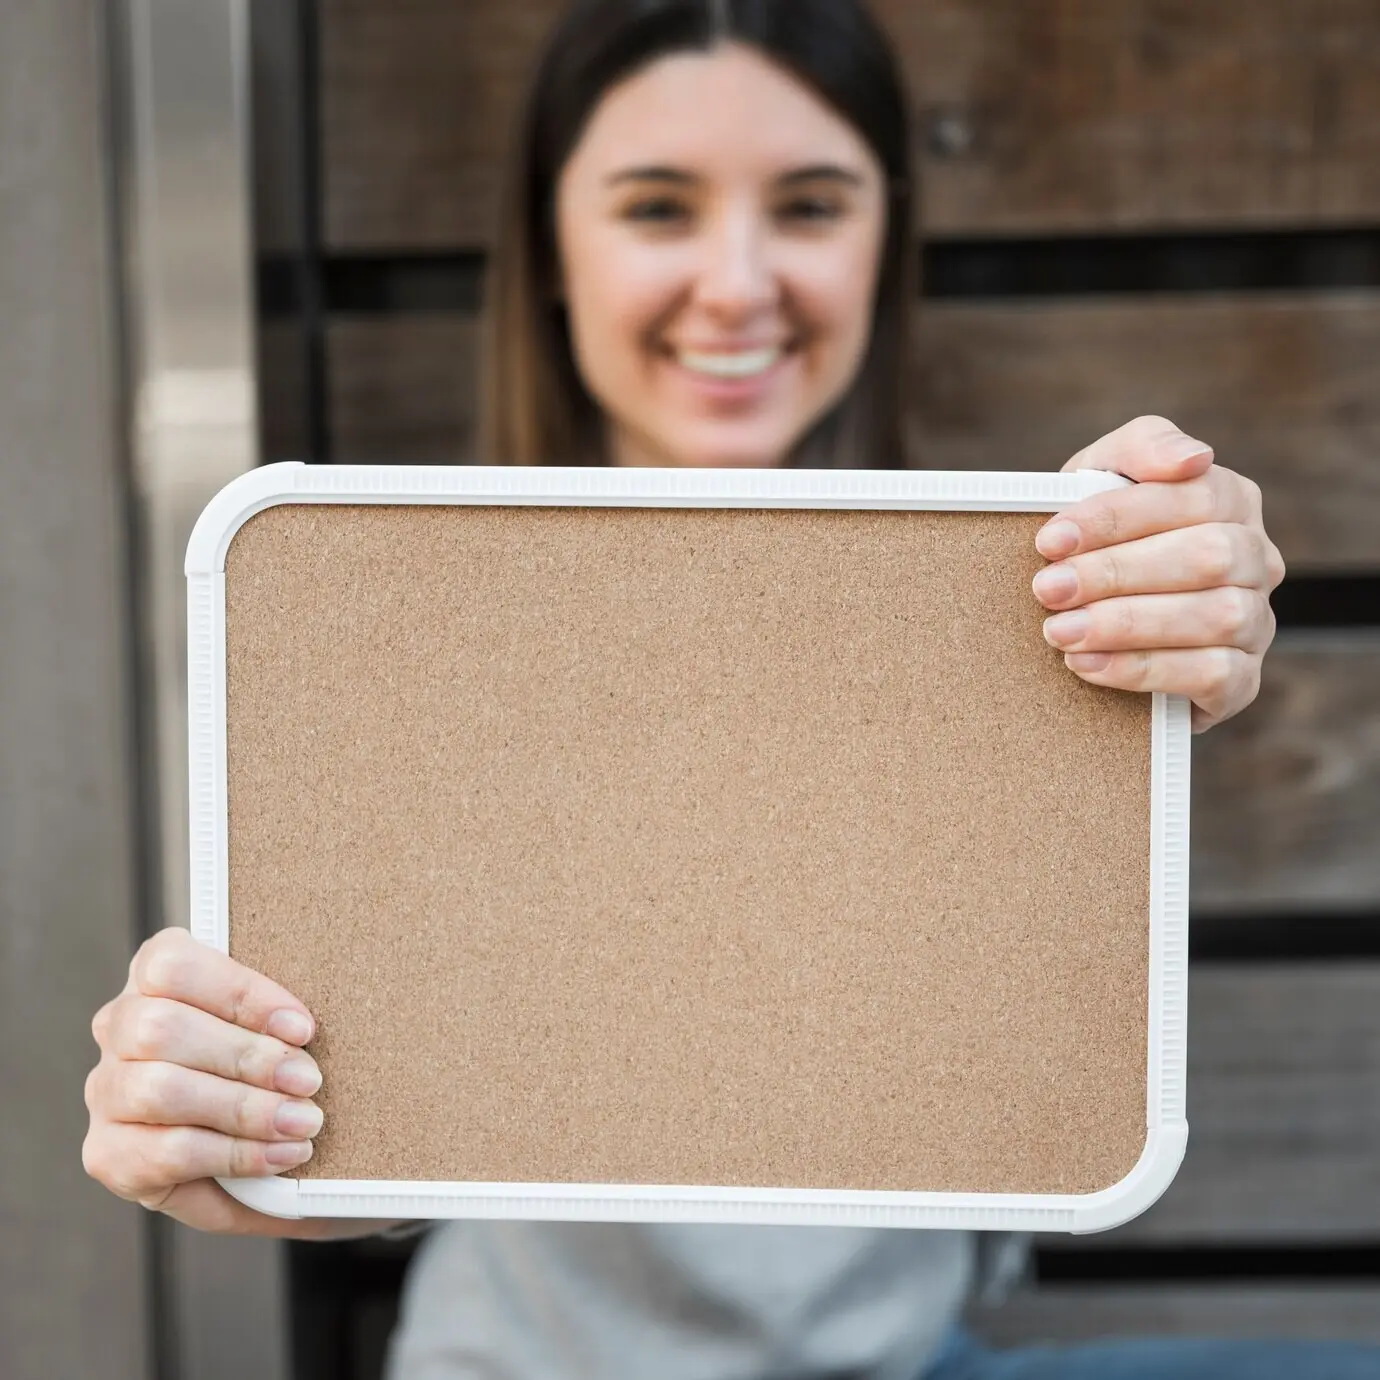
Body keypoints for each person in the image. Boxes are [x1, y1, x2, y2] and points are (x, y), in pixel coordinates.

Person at [83, 1, 1374, 1377]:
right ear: (555, 253)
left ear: (886, 239)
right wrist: (244, 1119)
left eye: (810, 206)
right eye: (658, 209)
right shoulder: (394, 643)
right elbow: (380, 1061)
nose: (738, 282)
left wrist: (1171, 634)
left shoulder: (1017, 616)